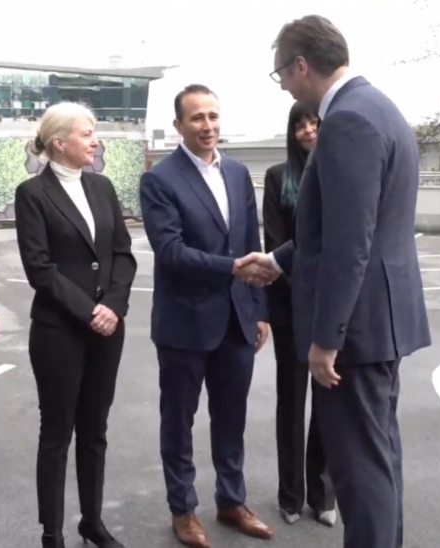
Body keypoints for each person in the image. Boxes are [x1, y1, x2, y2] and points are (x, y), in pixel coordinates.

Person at [236, 15, 432, 548]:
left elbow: (351, 243)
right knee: (378, 459)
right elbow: (343, 229)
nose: (282, 85)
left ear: (301, 65)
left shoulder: (347, 121)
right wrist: (277, 260)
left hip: (356, 333)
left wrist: (327, 340)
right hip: (380, 323)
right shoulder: (379, 108)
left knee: (358, 472)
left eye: (281, 73)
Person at [139, 84, 273, 548]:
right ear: (179, 125)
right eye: (197, 118)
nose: (207, 125)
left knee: (231, 417)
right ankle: (183, 510)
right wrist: (230, 268)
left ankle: (232, 500)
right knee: (179, 421)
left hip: (237, 320)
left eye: (213, 116)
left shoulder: (237, 173)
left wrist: (259, 310)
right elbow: (170, 251)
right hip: (185, 323)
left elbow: (251, 243)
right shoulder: (160, 180)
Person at [14, 102, 138, 548]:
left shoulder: (102, 187)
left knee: (94, 430)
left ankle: (92, 521)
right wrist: (89, 311)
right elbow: (40, 268)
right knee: (56, 432)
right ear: (59, 142)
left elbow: (122, 253)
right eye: (87, 134)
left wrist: (114, 307)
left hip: (108, 329)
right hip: (59, 331)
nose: (95, 141)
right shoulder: (33, 193)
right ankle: (52, 531)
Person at [262, 102, 336, 527]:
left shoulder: (338, 172)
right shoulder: (278, 177)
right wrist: (301, 296)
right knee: (291, 401)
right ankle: (290, 495)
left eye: (314, 123)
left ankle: (322, 495)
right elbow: (275, 244)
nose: (308, 131)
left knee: (327, 400)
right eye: (300, 125)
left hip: (330, 308)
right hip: (290, 308)